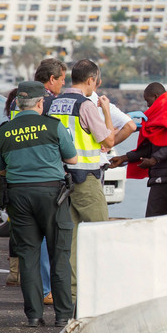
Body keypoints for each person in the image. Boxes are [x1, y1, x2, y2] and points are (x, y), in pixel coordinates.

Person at [0, 81, 78, 327]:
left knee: (28, 256)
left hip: (19, 196)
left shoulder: (4, 131)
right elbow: (72, 157)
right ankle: (62, 316)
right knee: (59, 254)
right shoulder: (53, 126)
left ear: (17, 103)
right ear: (41, 103)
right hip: (52, 195)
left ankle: (34, 316)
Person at [48, 59, 115, 302]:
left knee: (71, 239)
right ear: (90, 80)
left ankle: (73, 293)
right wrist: (106, 111)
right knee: (102, 232)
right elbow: (108, 141)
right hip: (85, 178)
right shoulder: (86, 106)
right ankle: (106, 289)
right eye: (97, 81)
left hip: (60, 179)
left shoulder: (52, 103)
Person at [4, 58, 68, 290]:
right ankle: (48, 289)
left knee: (23, 235)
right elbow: (59, 141)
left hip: (16, 175)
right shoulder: (47, 102)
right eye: (62, 80)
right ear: (51, 80)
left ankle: (20, 276)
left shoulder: (16, 101)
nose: (63, 85)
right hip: (44, 178)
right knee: (47, 238)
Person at [109, 83, 167, 217]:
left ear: (156, 96)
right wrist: (124, 158)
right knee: (160, 218)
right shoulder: (161, 111)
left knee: (155, 218)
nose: (147, 105)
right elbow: (149, 146)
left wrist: (154, 160)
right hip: (159, 175)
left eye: (148, 100)